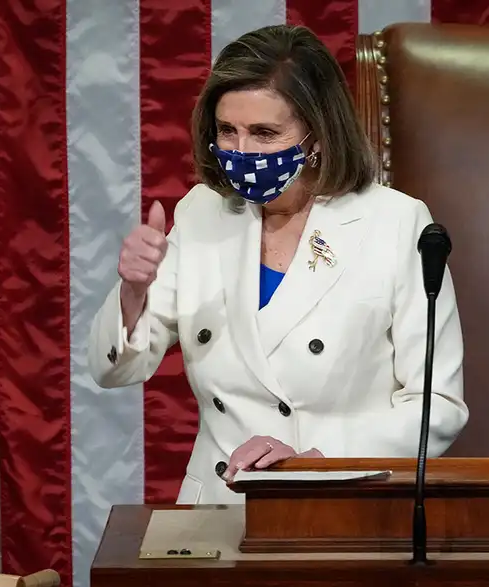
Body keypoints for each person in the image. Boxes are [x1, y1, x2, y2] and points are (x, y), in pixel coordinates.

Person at [87, 24, 468, 505]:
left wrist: (315, 458)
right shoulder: (202, 212)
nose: (241, 153)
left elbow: (438, 406)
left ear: (318, 133)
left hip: (343, 502)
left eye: (264, 133)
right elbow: (115, 372)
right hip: (219, 508)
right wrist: (132, 293)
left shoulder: (397, 223)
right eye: (228, 131)